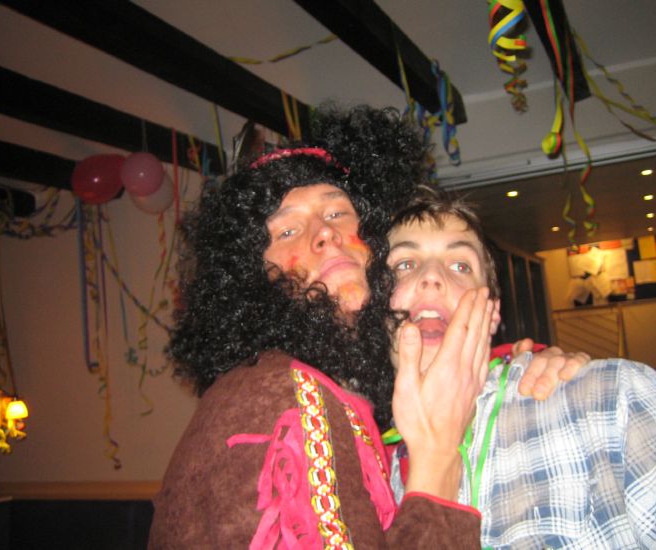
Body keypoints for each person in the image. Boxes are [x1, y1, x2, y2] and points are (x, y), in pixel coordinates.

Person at [148, 105, 584, 548]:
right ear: (250, 279)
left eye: (337, 213)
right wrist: (436, 462)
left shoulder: (359, 403)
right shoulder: (284, 398)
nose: (325, 233)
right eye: (286, 231)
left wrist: (518, 363)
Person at [386, 185, 656, 548]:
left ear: (492, 312)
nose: (431, 276)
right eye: (404, 264)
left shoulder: (611, 400)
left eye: (461, 265)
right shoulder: (366, 470)